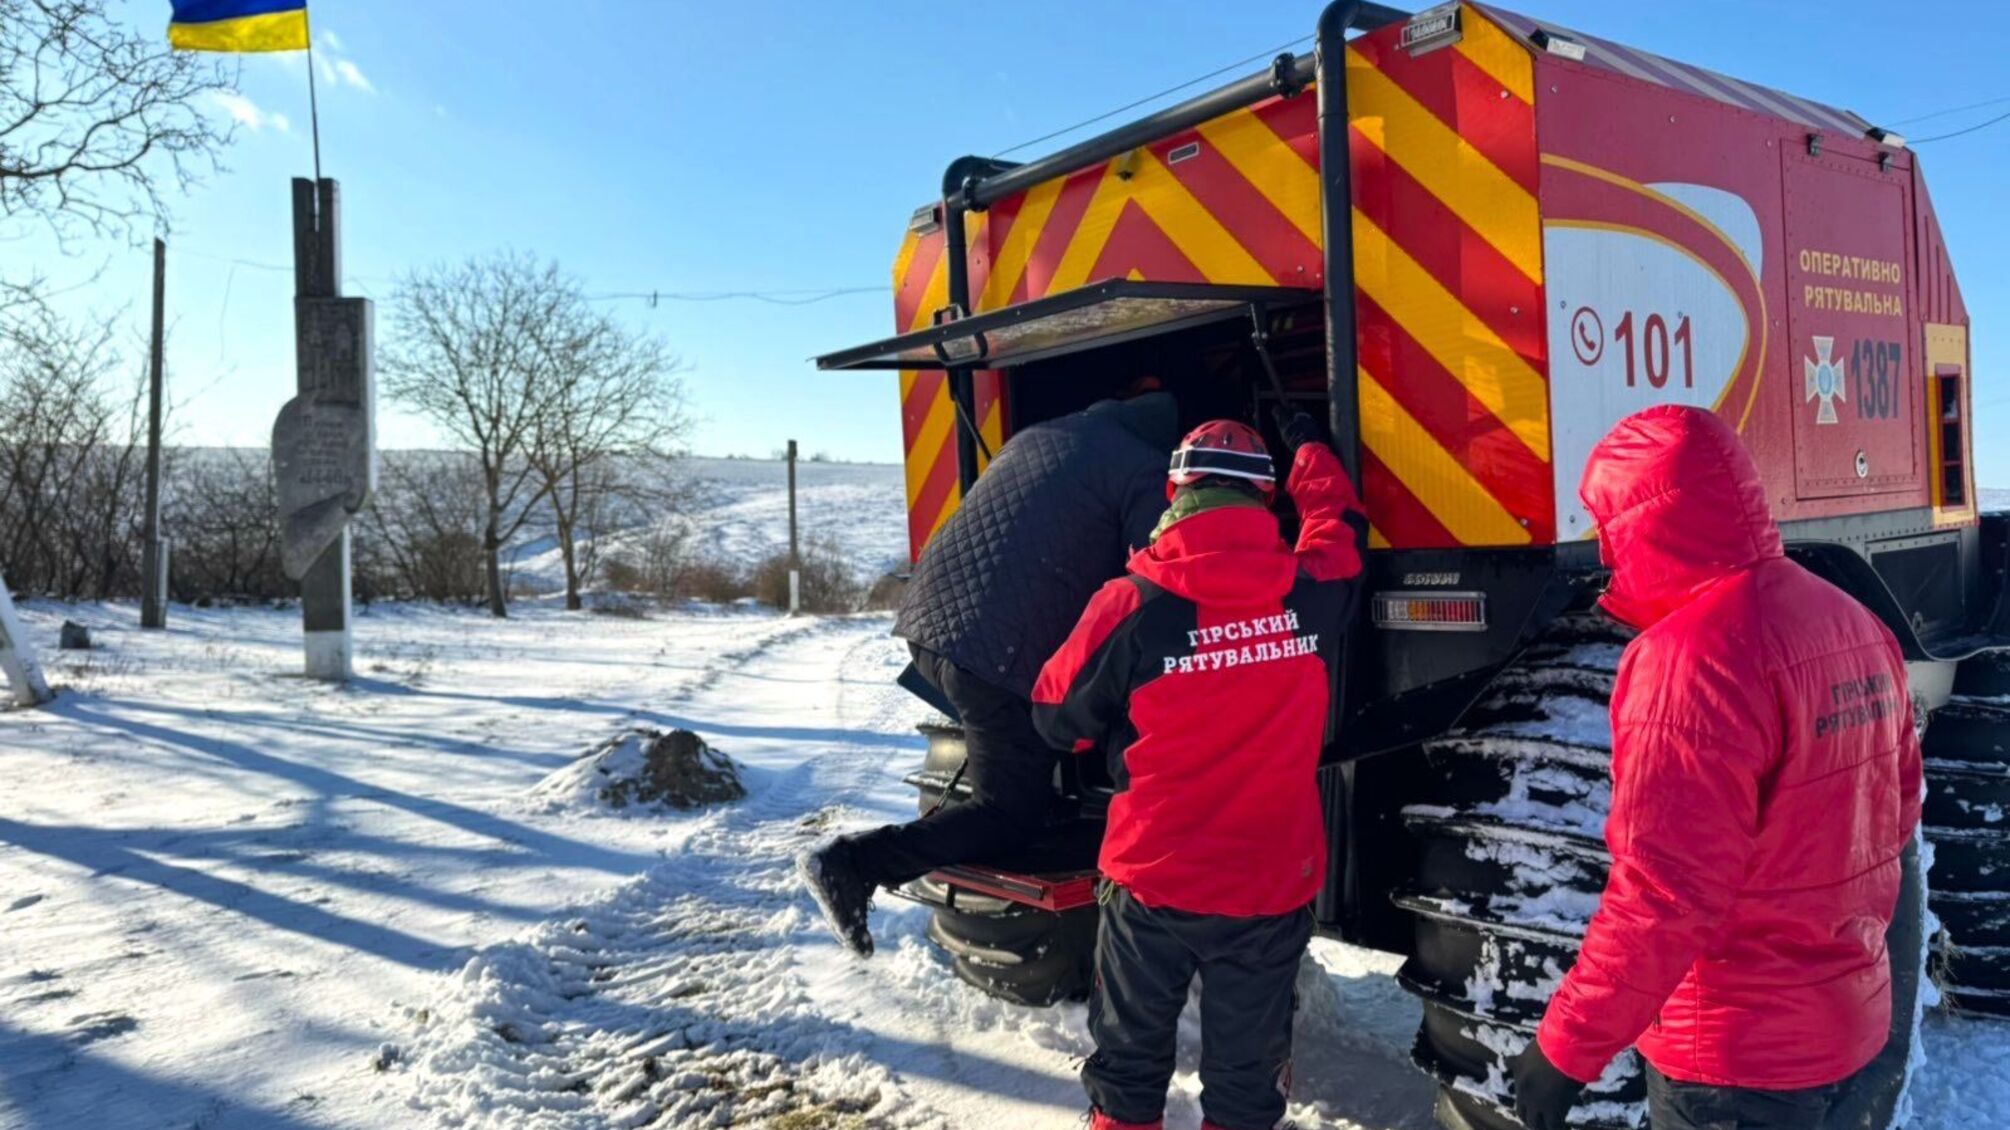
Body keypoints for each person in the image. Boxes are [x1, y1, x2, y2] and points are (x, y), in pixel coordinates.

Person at [1511, 405, 1923, 1130]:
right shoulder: (1854, 624)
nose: (1605, 550)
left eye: (1608, 522)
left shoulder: (1689, 662)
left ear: (1642, 520)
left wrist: (1563, 1052)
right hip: (1844, 1035)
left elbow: (1662, 895)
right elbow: (1898, 819)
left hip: (1734, 1062)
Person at [1030, 412, 1366, 1130]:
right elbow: (1339, 526)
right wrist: (1309, 445)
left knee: (1127, 1072)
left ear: (1174, 490)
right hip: (1270, 884)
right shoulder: (1309, 593)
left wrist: (1114, 727)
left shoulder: (1129, 603)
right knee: (1247, 1093)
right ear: (1265, 498)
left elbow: (1054, 716)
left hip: (1153, 879)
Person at [798, 390, 1180, 957]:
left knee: (1028, 779)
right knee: (1010, 810)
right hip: (995, 652)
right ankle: (853, 863)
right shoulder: (1144, 467)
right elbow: (1156, 575)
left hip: (929, 627)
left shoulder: (1040, 435)